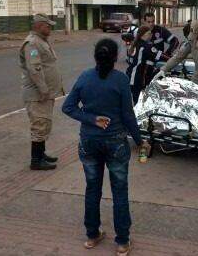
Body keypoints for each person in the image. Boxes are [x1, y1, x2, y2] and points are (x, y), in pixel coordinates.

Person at [62, 39, 151, 256]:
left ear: (95, 56)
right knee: (119, 191)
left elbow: (68, 107)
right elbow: (129, 116)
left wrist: (91, 119)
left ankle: (92, 235)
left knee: (92, 188)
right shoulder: (120, 80)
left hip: (89, 142)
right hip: (115, 143)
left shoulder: (85, 77)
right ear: (114, 58)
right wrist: (140, 141)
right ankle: (122, 242)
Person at [19, 13, 64, 171]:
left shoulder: (41, 41)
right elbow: (35, 69)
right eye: (47, 25)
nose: (50, 28)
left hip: (45, 94)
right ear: (38, 26)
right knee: (39, 125)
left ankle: (41, 154)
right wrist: (44, 90)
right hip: (37, 95)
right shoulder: (32, 44)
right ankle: (36, 160)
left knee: (44, 123)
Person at [154, 20, 198, 87]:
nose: (195, 38)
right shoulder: (192, 41)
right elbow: (178, 57)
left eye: (197, 36)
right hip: (197, 78)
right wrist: (164, 69)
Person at [126, 26, 167, 104]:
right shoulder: (146, 47)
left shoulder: (133, 45)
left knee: (131, 101)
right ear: (144, 35)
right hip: (138, 78)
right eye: (149, 33)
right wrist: (174, 58)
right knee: (137, 102)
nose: (151, 35)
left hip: (130, 76)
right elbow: (161, 55)